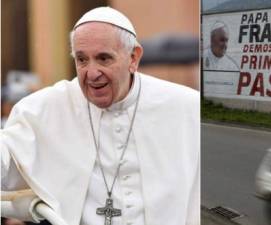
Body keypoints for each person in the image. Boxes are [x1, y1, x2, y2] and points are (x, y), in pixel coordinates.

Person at [1, 7, 199, 225]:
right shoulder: (43, 109)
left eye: (104, 58)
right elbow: (6, 162)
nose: (92, 73)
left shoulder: (186, 107)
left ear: (133, 58)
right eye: (82, 60)